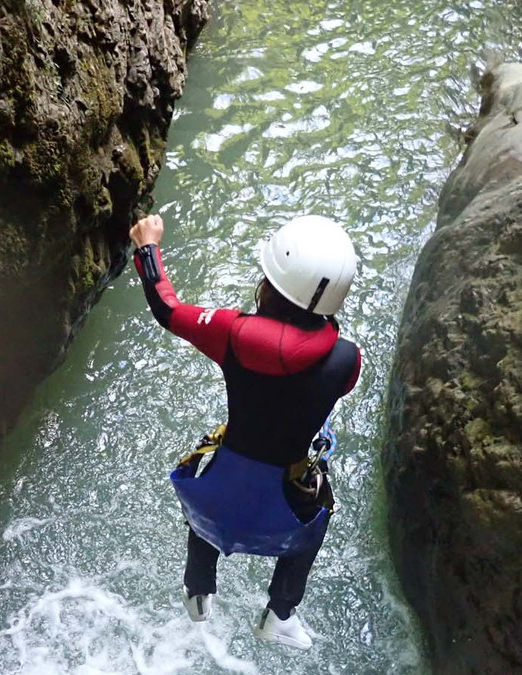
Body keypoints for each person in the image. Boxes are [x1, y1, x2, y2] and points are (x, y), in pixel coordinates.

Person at [129, 213, 361, 650]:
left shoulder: (232, 334)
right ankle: (281, 613)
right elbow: (323, 378)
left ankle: (198, 592)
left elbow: (168, 309)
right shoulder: (347, 359)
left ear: (270, 284)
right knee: (320, 511)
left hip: (216, 498)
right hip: (286, 508)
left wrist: (148, 246)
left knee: (208, 494)